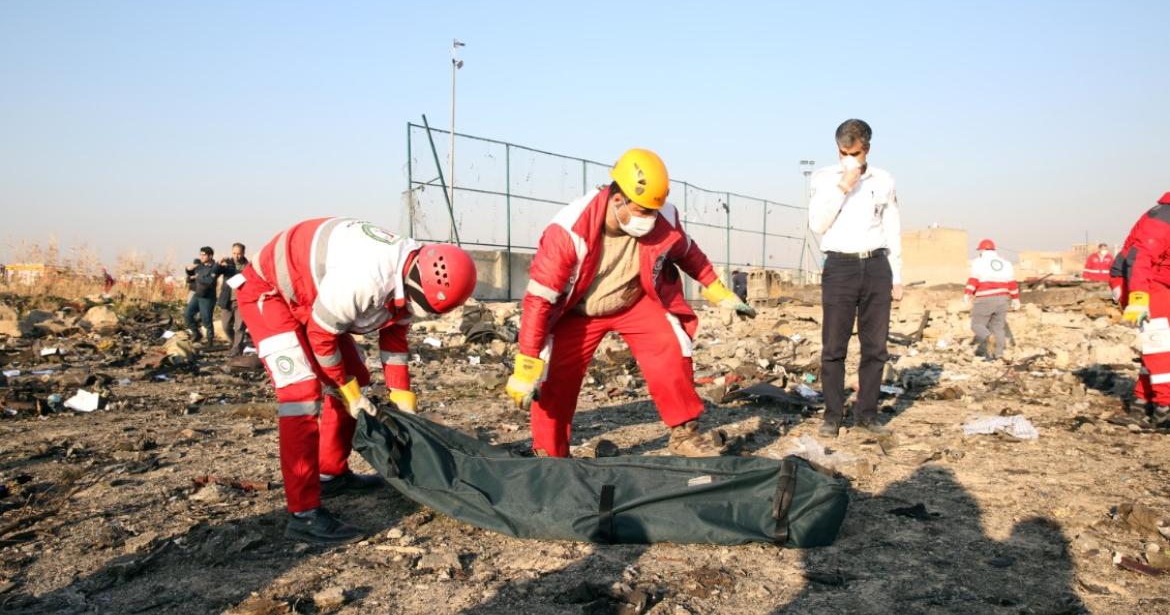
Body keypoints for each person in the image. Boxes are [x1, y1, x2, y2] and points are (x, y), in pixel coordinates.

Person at [233, 218, 476, 543]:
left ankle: (331, 473)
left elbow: (395, 341)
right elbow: (322, 337)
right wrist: (347, 391)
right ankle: (303, 515)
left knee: (358, 380)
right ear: (416, 281)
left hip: (313, 297)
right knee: (301, 393)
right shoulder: (366, 278)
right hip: (271, 292)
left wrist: (403, 397)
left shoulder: (412, 269)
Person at [504, 148, 755, 458]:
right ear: (617, 198)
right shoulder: (568, 232)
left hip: (634, 301)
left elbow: (687, 251)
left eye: (652, 211)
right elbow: (539, 301)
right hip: (579, 311)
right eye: (642, 211)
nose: (649, 220)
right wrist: (527, 363)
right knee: (553, 376)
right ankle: (550, 453)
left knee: (670, 347)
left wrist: (717, 289)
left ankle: (684, 434)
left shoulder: (662, 217)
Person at [808, 119, 902, 437]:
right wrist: (843, 186)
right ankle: (833, 415)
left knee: (874, 347)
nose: (849, 158)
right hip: (839, 267)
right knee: (834, 346)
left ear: (867, 149)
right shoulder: (824, 179)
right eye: (844, 152)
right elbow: (818, 223)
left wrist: (897, 275)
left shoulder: (884, 180)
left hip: (876, 265)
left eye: (856, 152)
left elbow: (893, 229)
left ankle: (867, 415)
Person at [1114, 192, 1170, 427]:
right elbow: (1140, 259)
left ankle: (1141, 401)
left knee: (1157, 348)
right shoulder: (1163, 217)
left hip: (1158, 281)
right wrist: (1138, 298)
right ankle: (1164, 409)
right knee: (1160, 346)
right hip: (1140, 282)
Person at [963, 239, 1020, 360]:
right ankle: (998, 355)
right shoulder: (1006, 263)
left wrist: (967, 293)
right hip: (1003, 300)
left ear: (982, 250)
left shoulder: (979, 262)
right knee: (998, 328)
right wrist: (1016, 299)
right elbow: (1012, 283)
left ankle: (988, 336)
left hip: (985, 299)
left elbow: (974, 280)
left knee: (976, 325)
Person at [184, 247, 225, 345]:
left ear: (210, 256)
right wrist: (188, 269)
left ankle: (210, 341)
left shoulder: (215, 266)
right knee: (187, 314)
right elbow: (190, 276)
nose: (201, 257)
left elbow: (209, 281)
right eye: (200, 255)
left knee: (206, 319)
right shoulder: (199, 266)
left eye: (203, 255)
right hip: (197, 295)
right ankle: (196, 333)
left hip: (208, 297)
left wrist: (198, 277)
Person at [217, 242, 251, 356]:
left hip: (241, 301)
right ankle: (236, 343)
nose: (237, 256)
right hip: (227, 300)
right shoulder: (228, 264)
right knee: (226, 326)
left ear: (243, 253)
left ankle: (236, 349)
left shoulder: (249, 266)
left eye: (239, 253)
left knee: (239, 327)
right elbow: (215, 272)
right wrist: (218, 265)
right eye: (234, 253)